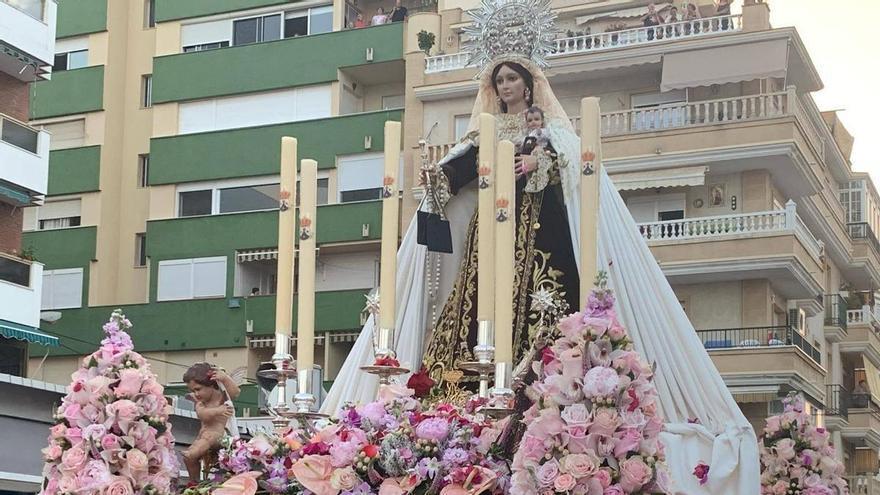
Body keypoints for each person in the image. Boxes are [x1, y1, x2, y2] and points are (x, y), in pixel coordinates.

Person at [182, 363, 241, 482]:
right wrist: (218, 411)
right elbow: (202, 414)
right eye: (193, 390)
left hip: (220, 436)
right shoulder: (200, 403)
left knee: (207, 438)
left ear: (210, 385)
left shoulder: (221, 397)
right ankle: (194, 481)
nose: (196, 394)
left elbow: (235, 392)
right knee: (189, 458)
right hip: (203, 435)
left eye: (198, 389)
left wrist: (224, 378)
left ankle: (193, 454)